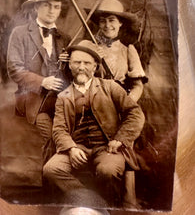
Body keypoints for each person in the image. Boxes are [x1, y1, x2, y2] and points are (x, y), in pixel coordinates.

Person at [43, 40, 145, 207]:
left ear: (95, 66)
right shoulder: (63, 96)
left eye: (87, 63)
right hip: (78, 147)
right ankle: (92, 202)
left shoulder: (110, 87)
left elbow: (135, 113)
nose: (81, 67)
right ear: (69, 65)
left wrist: (120, 139)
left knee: (108, 171)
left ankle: (104, 206)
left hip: (107, 147)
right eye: (76, 62)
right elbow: (59, 129)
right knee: (51, 169)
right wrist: (71, 148)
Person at [7, 0, 71, 164]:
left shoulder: (64, 37)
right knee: (53, 136)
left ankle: (60, 182)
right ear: (36, 7)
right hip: (34, 100)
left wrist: (69, 65)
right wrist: (42, 81)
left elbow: (69, 77)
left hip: (61, 101)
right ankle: (50, 186)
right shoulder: (20, 34)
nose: (52, 11)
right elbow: (14, 68)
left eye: (56, 6)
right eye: (46, 5)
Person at [88, 0, 146, 103]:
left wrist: (127, 103)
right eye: (102, 21)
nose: (107, 25)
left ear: (120, 23)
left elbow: (137, 86)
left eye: (111, 20)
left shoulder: (128, 50)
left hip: (119, 102)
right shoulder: (90, 47)